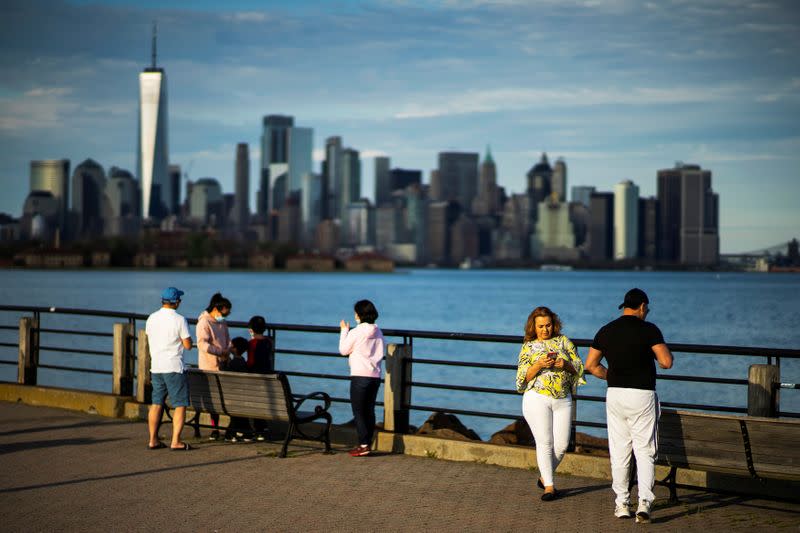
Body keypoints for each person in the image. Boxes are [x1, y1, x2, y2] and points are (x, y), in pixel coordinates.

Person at [585, 288, 673, 524]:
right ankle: (644, 502)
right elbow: (666, 362)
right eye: (647, 309)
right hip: (642, 395)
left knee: (620, 451)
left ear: (624, 306)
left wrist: (611, 375)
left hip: (615, 394)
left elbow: (591, 365)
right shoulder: (649, 329)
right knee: (644, 450)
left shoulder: (606, 330)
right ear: (643, 306)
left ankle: (622, 504)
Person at [515, 306, 585, 501]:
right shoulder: (528, 346)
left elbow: (579, 368)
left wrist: (566, 365)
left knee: (562, 445)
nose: (544, 330)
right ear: (533, 327)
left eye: (548, 325)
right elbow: (521, 378)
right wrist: (538, 365)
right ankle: (550, 487)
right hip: (537, 398)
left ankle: (544, 477)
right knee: (545, 442)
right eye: (540, 326)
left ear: (554, 325)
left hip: (563, 399)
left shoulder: (564, 342)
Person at [145, 287, 193, 451]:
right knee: (180, 404)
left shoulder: (151, 318)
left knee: (156, 403)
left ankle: (153, 440)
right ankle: (176, 441)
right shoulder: (180, 319)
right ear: (176, 302)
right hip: (173, 366)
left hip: (156, 366)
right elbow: (188, 346)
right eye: (180, 299)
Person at [338, 299, 385, 457]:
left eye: (356, 313)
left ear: (359, 315)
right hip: (375, 376)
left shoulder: (356, 332)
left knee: (358, 412)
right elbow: (382, 351)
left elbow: (343, 350)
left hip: (359, 376)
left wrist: (344, 330)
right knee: (369, 411)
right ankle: (367, 443)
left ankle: (364, 445)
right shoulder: (378, 331)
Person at [197, 292, 233, 440]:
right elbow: (202, 344)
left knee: (224, 396)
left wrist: (228, 349)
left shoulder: (222, 322)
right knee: (214, 398)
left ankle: (223, 428)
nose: (225, 317)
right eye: (225, 313)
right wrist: (220, 352)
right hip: (210, 365)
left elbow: (228, 338)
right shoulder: (204, 322)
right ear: (218, 309)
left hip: (224, 362)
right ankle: (214, 428)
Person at [246, 315, 274, 442]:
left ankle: (258, 429)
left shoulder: (252, 343)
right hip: (266, 377)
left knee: (255, 401)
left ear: (251, 329)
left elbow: (251, 362)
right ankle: (264, 428)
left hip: (255, 378)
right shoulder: (268, 342)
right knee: (262, 401)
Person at [223, 336, 252, 442]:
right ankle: (246, 432)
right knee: (240, 412)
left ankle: (231, 433)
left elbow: (225, 375)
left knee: (236, 412)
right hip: (242, 396)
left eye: (231, 345)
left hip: (232, 397)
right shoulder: (243, 363)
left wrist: (223, 361)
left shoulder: (233, 363)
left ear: (234, 349)